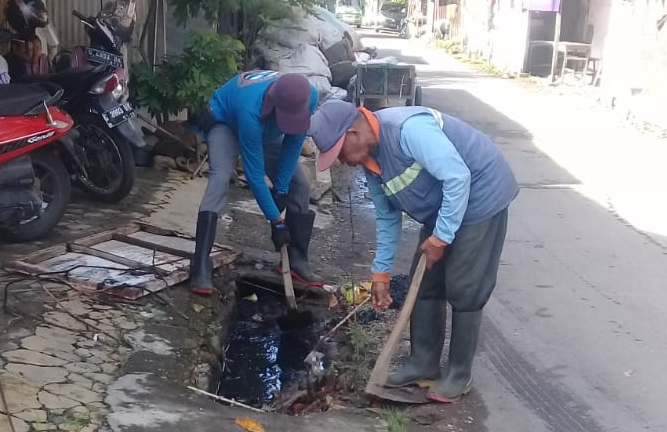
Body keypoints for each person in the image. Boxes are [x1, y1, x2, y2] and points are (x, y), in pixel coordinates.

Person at [309, 99, 518, 401]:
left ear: (353, 133)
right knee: (425, 283)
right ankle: (423, 363)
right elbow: (386, 217)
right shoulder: (370, 162)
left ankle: (459, 374)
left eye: (339, 153)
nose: (342, 162)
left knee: (464, 285)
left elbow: (458, 178)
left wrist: (441, 237)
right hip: (443, 204)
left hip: (481, 197)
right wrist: (380, 272)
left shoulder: (409, 130)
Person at [189, 71, 321, 296]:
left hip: (268, 129)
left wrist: (281, 188)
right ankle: (200, 264)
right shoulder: (250, 107)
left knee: (300, 184)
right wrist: (276, 220)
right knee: (219, 180)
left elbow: (293, 143)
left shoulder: (308, 96)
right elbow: (255, 175)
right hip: (226, 122)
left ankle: (296, 260)